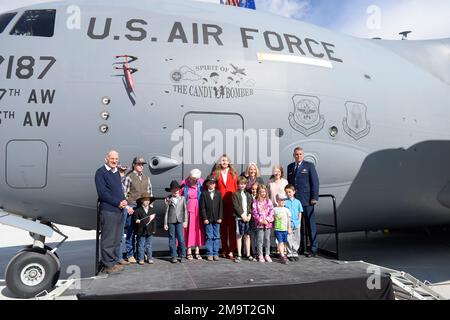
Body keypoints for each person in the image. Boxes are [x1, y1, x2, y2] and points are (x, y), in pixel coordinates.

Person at [94, 150, 127, 274]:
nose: (115, 161)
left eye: (116, 159)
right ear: (106, 159)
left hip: (119, 210)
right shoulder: (101, 173)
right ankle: (108, 265)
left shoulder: (116, 173)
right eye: (112, 159)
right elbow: (103, 194)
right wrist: (118, 203)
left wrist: (123, 201)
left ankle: (113, 261)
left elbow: (119, 191)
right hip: (109, 211)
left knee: (116, 237)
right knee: (108, 238)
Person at [287, 147, 320, 257]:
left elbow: (315, 182)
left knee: (311, 225)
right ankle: (299, 247)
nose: (298, 156)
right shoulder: (290, 167)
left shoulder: (309, 166)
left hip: (307, 200)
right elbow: (289, 185)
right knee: (297, 225)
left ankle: (314, 248)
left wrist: (314, 197)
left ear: (303, 155)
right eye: (296, 154)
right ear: (294, 155)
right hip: (295, 202)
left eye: (300, 154)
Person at [124, 156, 153, 263]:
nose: (141, 166)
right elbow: (124, 194)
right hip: (132, 207)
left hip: (143, 208)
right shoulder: (129, 177)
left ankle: (140, 253)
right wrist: (127, 207)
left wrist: (150, 208)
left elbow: (150, 193)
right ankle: (130, 254)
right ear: (134, 165)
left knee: (142, 232)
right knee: (131, 232)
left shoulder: (146, 178)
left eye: (142, 164)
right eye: (139, 164)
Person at [213, 154, 238, 259]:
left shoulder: (233, 173)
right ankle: (224, 249)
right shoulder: (215, 174)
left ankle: (231, 250)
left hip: (232, 204)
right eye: (222, 160)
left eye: (226, 160)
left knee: (232, 228)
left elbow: (236, 189)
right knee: (222, 229)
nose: (224, 162)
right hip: (221, 204)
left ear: (229, 162)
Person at [180, 169, 205, 260]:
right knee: (188, 229)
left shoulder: (201, 182)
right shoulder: (184, 182)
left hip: (198, 207)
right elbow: (178, 194)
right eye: (191, 178)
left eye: (194, 179)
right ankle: (189, 250)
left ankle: (197, 250)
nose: (191, 180)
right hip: (188, 207)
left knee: (197, 229)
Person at [164, 180, 188, 263]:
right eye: (173, 190)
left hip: (180, 220)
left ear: (179, 190)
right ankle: (173, 256)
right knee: (172, 239)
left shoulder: (182, 198)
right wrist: (165, 223)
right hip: (171, 221)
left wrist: (185, 221)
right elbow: (166, 212)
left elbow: (185, 210)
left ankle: (183, 255)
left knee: (181, 238)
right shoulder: (169, 199)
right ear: (171, 191)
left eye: (177, 189)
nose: (175, 191)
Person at [200, 175, 223, 262]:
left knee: (216, 236)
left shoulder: (218, 193)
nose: (212, 184)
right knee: (209, 236)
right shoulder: (204, 194)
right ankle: (209, 253)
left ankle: (215, 253)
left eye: (213, 183)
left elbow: (221, 206)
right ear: (207, 184)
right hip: (208, 219)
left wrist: (220, 217)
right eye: (210, 183)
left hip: (217, 219)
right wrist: (205, 218)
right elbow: (202, 207)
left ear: (215, 185)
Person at [232, 176, 254, 262]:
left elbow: (251, 206)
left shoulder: (248, 195)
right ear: (238, 185)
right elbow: (236, 206)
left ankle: (248, 254)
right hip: (239, 218)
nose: (242, 185)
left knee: (247, 236)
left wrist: (249, 215)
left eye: (244, 184)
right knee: (239, 236)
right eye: (241, 184)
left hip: (247, 218)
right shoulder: (235, 194)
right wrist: (242, 216)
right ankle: (239, 254)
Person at [252, 184, 274, 263]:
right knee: (260, 240)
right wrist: (261, 220)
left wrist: (267, 220)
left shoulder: (269, 201)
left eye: (264, 192)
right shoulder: (256, 201)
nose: (263, 193)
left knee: (267, 239)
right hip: (260, 224)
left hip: (268, 224)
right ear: (258, 192)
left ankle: (267, 254)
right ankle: (260, 254)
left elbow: (271, 211)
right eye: (261, 192)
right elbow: (254, 212)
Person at [133, 193, 156, 265]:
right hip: (141, 230)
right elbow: (135, 218)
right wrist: (137, 220)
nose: (147, 201)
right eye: (146, 200)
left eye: (148, 200)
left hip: (149, 230)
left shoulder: (152, 210)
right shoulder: (138, 210)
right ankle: (141, 259)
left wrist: (154, 229)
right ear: (142, 201)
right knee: (141, 245)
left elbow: (154, 221)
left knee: (149, 245)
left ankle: (150, 258)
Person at [284, 184, 303, 261]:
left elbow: (300, 212)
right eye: (287, 192)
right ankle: (289, 253)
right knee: (289, 238)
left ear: (294, 192)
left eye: (290, 192)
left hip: (296, 223)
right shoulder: (285, 202)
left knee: (296, 238)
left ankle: (295, 252)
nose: (288, 194)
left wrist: (299, 221)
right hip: (289, 223)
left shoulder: (298, 202)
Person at [117, 163, 131, 266]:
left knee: (124, 233)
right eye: (121, 170)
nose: (123, 171)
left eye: (124, 170)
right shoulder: (115, 180)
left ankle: (120, 257)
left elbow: (127, 195)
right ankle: (118, 257)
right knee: (119, 234)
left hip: (125, 208)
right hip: (118, 209)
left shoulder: (126, 180)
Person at [273, 193, 292, 265]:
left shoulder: (287, 210)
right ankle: (282, 255)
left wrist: (289, 228)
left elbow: (288, 220)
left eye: (284, 200)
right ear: (277, 201)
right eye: (281, 200)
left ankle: (284, 253)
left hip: (285, 229)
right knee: (280, 242)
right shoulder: (274, 209)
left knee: (284, 242)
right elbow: (273, 218)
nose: (283, 202)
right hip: (278, 229)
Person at [249, 182, 260, 261]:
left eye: (256, 189)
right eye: (253, 189)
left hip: (259, 220)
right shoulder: (249, 197)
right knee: (252, 237)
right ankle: (253, 252)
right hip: (251, 220)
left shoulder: (260, 198)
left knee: (259, 237)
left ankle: (259, 252)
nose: (254, 191)